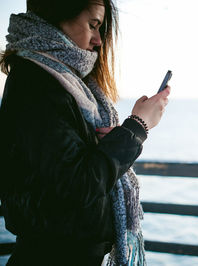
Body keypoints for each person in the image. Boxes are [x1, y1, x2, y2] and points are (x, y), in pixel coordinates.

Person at [0, 0, 170, 265]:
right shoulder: (36, 82)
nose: (99, 40)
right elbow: (76, 186)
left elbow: (66, 166)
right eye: (93, 25)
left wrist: (102, 141)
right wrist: (137, 127)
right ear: (58, 14)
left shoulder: (63, 81)